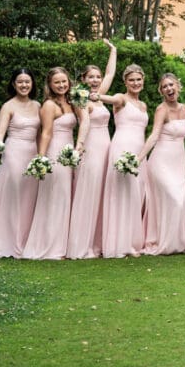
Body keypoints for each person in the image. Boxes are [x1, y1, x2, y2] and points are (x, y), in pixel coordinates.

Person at [22, 67, 86, 260]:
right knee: (55, 198)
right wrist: (41, 158)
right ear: (50, 85)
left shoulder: (71, 101)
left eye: (64, 81)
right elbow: (46, 132)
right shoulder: (49, 105)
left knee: (65, 197)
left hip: (68, 155)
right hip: (55, 154)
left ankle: (62, 245)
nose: (61, 85)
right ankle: (49, 246)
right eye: (57, 82)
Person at [0, 68, 41, 258]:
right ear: (14, 84)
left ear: (32, 84)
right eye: (20, 82)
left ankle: (26, 241)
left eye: (27, 82)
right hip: (14, 152)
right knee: (13, 195)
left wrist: (41, 156)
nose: (24, 85)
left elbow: (40, 133)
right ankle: (7, 242)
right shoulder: (8, 106)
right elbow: (0, 132)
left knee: (30, 197)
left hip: (32, 153)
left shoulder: (38, 105)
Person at [66, 39, 117, 259]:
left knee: (103, 192)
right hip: (91, 148)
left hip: (107, 146)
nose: (96, 80)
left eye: (97, 77)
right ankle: (82, 243)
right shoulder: (80, 99)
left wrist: (113, 51)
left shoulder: (98, 95)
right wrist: (80, 147)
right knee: (90, 190)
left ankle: (100, 241)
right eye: (91, 77)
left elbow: (110, 74)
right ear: (83, 80)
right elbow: (84, 123)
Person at [140, 73, 185, 255]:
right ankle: (166, 243)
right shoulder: (161, 109)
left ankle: (178, 243)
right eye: (164, 87)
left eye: (171, 85)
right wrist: (139, 159)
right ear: (161, 91)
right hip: (161, 160)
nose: (169, 89)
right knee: (175, 200)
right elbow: (154, 135)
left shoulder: (184, 108)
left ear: (178, 86)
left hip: (178, 162)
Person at [99, 64, 149, 258]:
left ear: (143, 81)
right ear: (125, 82)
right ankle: (118, 243)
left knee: (137, 194)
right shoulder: (121, 98)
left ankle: (132, 241)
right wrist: (96, 96)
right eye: (131, 80)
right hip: (122, 148)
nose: (135, 83)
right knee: (121, 193)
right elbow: (108, 98)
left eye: (138, 79)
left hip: (139, 151)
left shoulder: (143, 105)